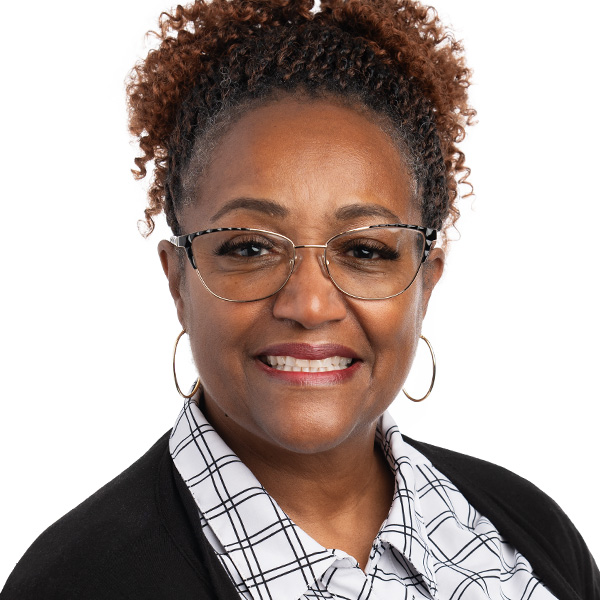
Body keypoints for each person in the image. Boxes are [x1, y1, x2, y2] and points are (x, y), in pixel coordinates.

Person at [2, 0, 598, 598]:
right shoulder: (74, 582)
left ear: (426, 280)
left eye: (365, 251)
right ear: (178, 280)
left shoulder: (525, 532)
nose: (310, 305)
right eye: (249, 248)